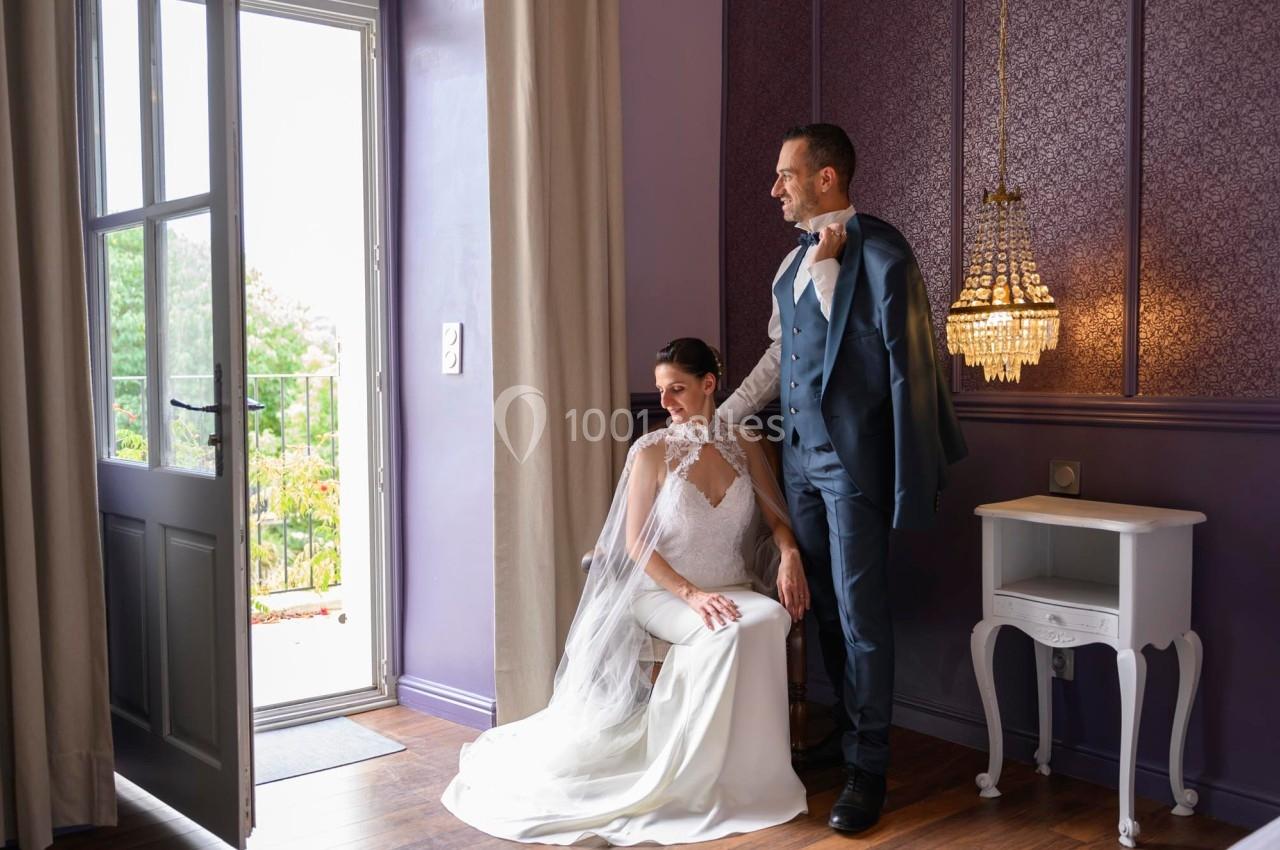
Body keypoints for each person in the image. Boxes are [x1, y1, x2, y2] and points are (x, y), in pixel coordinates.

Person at [441, 337, 811, 846]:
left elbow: (777, 521)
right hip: (662, 591)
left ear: (709, 384)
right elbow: (636, 543)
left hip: (731, 584)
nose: (665, 402)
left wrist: (789, 553)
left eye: (677, 388)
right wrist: (691, 595)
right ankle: (689, 774)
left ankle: (752, 773)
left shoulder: (745, 442)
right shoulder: (651, 450)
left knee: (768, 618)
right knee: (722, 631)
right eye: (660, 391)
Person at [717, 123, 967, 834]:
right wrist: (724, 414)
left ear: (827, 178)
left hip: (853, 468)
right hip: (798, 462)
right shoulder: (787, 264)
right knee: (823, 606)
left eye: (786, 175)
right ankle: (848, 735)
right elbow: (781, 355)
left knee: (862, 617)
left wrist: (830, 267)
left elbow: (895, 360)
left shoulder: (884, 253)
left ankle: (871, 768)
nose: (775, 188)